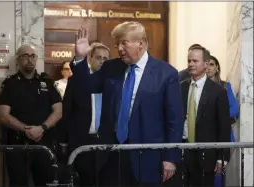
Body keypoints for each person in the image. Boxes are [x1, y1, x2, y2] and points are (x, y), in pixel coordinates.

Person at [72, 22, 184, 186]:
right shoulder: (111, 67)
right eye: (117, 43)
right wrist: (81, 59)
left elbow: (175, 120)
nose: (119, 48)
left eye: (124, 42)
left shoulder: (166, 74)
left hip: (147, 158)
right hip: (112, 156)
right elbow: (87, 86)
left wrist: (170, 157)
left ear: (141, 43)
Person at [0, 44, 62, 186]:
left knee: (46, 183)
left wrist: (42, 128)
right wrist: (27, 130)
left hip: (44, 146)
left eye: (32, 56)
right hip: (18, 146)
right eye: (25, 56)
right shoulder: (9, 84)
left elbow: (58, 111)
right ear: (17, 60)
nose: (30, 60)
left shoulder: (47, 82)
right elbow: (3, 116)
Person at [180, 45, 231, 186]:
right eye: (189, 61)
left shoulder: (217, 91)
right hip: (182, 149)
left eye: (195, 61)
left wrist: (222, 156)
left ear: (206, 64)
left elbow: (223, 126)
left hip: (206, 153)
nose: (190, 64)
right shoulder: (180, 87)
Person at [62, 42, 110, 186]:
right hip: (82, 142)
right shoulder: (77, 80)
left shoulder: (112, 82)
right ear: (90, 58)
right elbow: (67, 110)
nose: (102, 61)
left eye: (105, 59)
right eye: (98, 57)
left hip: (105, 144)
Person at [206, 55, 239, 187]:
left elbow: (234, 109)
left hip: (223, 136)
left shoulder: (225, 86)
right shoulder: (198, 87)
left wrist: (216, 115)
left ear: (217, 68)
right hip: (205, 136)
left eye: (212, 64)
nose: (208, 67)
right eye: (207, 64)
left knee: (219, 173)